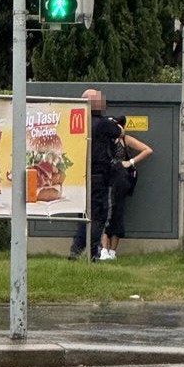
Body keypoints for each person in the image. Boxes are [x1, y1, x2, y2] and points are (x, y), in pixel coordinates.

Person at [69, 88, 123, 261]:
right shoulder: (102, 123)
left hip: (80, 175)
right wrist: (116, 123)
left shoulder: (77, 121)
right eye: (99, 100)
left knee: (83, 215)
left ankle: (75, 251)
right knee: (99, 215)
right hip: (99, 176)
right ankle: (92, 252)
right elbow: (120, 131)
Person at [100, 116, 153, 261]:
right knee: (104, 214)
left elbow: (147, 150)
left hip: (121, 182)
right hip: (106, 180)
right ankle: (104, 249)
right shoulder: (104, 140)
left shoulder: (126, 140)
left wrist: (130, 162)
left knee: (118, 214)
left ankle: (112, 252)